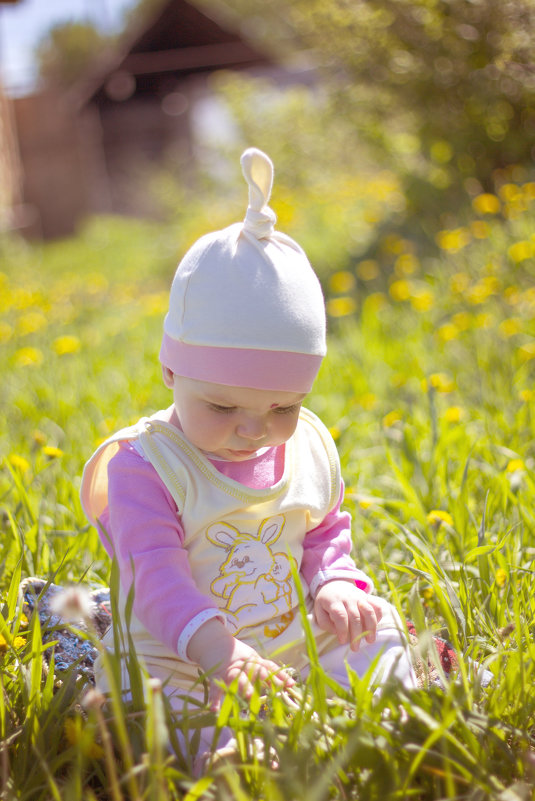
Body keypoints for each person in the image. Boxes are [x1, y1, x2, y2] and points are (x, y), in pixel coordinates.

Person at [81, 147, 416, 773]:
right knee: (150, 707)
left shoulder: (304, 442)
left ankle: (394, 709)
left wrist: (335, 580)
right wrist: (220, 652)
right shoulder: (148, 468)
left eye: (283, 406)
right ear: (170, 368)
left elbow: (322, 528)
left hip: (283, 637)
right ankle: (230, 753)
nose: (256, 430)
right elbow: (156, 574)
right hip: (179, 653)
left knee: (376, 627)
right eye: (223, 405)